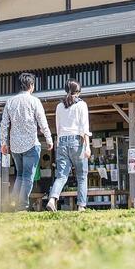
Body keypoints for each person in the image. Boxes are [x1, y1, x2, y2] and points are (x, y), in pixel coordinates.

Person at [0, 72, 53, 211]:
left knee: (20, 176)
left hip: (16, 145)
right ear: (31, 85)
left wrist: (4, 143)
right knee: (28, 177)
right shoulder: (34, 101)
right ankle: (22, 206)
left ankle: (12, 204)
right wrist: (49, 138)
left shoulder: (10, 101)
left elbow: (4, 124)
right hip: (31, 143)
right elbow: (42, 121)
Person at [47, 80, 91, 212]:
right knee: (82, 176)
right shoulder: (82, 105)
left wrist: (59, 142)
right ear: (78, 91)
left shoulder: (59, 106)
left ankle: (52, 199)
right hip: (77, 141)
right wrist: (87, 146)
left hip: (61, 142)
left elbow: (58, 127)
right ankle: (81, 206)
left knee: (61, 176)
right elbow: (84, 127)